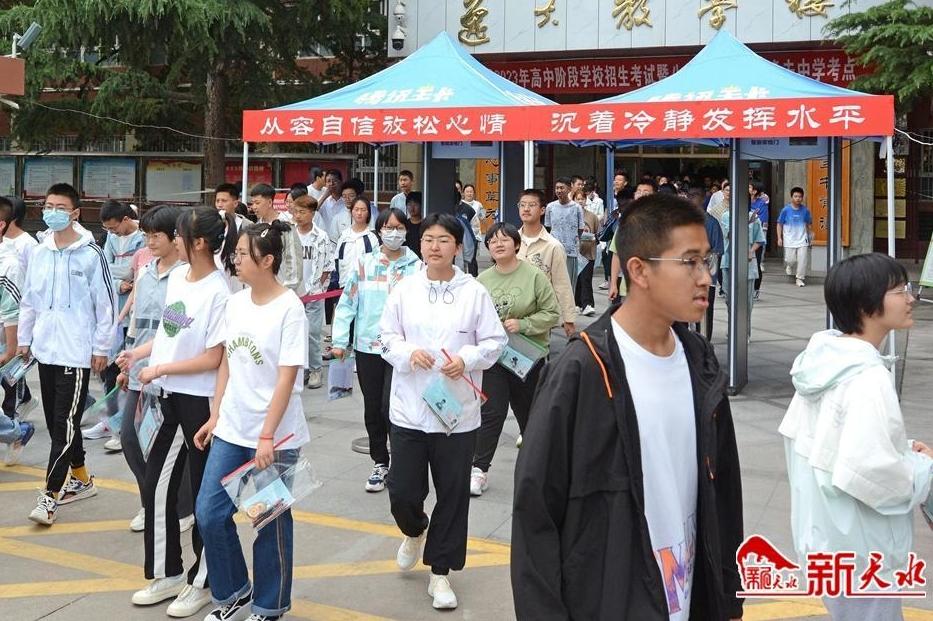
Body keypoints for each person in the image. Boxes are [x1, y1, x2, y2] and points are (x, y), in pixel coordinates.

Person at [512, 193, 743, 621]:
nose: (705, 277)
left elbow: (725, 491)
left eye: (707, 261)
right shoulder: (581, 370)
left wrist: (729, 597)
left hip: (691, 596)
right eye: (690, 262)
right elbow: (535, 510)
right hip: (611, 599)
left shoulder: (700, 361)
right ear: (638, 270)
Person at [779, 253, 933, 621]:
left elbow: (829, 447)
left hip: (826, 540)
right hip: (862, 551)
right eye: (900, 290)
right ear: (867, 306)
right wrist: (922, 467)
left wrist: (900, 448)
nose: (910, 298)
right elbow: (874, 473)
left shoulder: (822, 363)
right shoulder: (867, 377)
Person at [380, 212, 507, 611]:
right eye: (428, 239)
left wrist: (468, 358)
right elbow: (386, 337)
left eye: (444, 240)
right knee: (403, 491)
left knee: (453, 494)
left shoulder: (474, 292)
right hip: (409, 408)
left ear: (458, 246)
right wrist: (407, 353)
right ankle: (414, 529)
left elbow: (495, 341)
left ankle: (440, 573)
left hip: (456, 414)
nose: (435, 247)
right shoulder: (404, 289)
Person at [120, 207, 233, 617]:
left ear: (198, 242)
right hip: (168, 394)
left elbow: (213, 357)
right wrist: (139, 354)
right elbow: (170, 334)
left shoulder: (219, 292)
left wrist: (160, 369)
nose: (173, 241)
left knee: (204, 496)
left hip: (199, 402)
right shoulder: (180, 277)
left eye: (179, 235)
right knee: (157, 486)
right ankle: (166, 572)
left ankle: (202, 581)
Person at [194, 220, 309, 621]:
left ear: (268, 260)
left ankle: (269, 606)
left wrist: (267, 436)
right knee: (209, 513)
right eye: (236, 253)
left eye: (243, 254)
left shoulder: (290, 309)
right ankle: (234, 592)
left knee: (267, 519)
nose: (236, 260)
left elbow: (286, 377)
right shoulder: (236, 303)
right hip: (231, 427)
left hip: (274, 436)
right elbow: (228, 360)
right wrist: (215, 414)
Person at [19, 183, 116, 526]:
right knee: (58, 423)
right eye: (48, 206)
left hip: (76, 353)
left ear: (75, 213)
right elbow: (30, 299)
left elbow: (106, 305)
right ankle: (83, 479)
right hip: (46, 351)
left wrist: (101, 347)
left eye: (60, 207)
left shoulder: (91, 254)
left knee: (63, 426)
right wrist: (24, 339)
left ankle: (49, 497)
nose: (53, 212)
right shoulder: (40, 251)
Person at [332, 207, 422, 493]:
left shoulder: (416, 266)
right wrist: (339, 340)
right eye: (388, 227)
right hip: (368, 346)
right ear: (379, 230)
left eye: (399, 227)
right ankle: (380, 462)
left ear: (406, 231)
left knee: (390, 406)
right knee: (373, 408)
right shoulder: (365, 263)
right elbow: (347, 303)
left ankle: (400, 463)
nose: (394, 233)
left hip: (402, 348)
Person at [114, 205, 192, 534]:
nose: (150, 242)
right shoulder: (145, 272)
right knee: (130, 437)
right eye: (147, 235)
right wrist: (127, 362)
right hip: (140, 369)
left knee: (170, 444)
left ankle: (181, 508)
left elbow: (177, 330)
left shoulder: (186, 277)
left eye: (156, 235)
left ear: (176, 238)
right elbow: (136, 322)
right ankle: (151, 501)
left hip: (169, 372)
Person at [470, 222, 558, 496]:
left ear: (517, 245)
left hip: (526, 358)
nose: (498, 244)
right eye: (492, 241)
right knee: (491, 412)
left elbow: (552, 313)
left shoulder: (534, 276)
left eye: (504, 239)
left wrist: (524, 324)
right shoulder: (482, 280)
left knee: (530, 415)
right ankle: (479, 470)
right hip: (494, 358)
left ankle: (539, 467)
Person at [83, 200, 145, 447]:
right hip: (113, 313)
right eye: (107, 229)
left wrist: (120, 274)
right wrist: (119, 282)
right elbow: (105, 267)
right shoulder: (110, 238)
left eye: (114, 227)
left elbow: (136, 271)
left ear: (126, 220)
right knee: (108, 372)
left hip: (132, 317)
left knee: (126, 373)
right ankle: (110, 420)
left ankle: (123, 427)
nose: (112, 232)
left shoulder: (142, 239)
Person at [517, 189, 575, 338]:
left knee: (538, 351)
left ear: (542, 210)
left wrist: (568, 318)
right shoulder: (511, 241)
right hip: (513, 312)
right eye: (522, 205)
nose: (526, 209)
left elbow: (562, 283)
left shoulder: (553, 246)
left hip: (540, 316)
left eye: (531, 205)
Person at [292, 195, 333, 390]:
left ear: (312, 213)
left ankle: (316, 369)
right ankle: (304, 369)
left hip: (314, 293)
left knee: (313, 333)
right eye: (296, 212)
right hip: (293, 293)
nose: (298, 216)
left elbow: (327, 266)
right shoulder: (289, 234)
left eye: (302, 212)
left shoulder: (321, 236)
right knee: (296, 334)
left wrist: (318, 288)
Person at [720, 202, 766, 341]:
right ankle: (733, 327)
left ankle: (744, 332)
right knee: (729, 299)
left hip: (748, 264)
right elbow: (730, 234)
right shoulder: (726, 216)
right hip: (729, 262)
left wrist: (751, 251)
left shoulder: (754, 218)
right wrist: (746, 222)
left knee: (747, 302)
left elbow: (759, 239)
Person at [249, 183, 304, 295]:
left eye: (257, 203)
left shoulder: (285, 225)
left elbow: (294, 260)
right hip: (263, 289)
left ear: (270, 202)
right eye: (252, 203)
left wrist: (287, 289)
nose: (254, 207)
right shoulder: (256, 227)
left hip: (284, 290)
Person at [608, 179, 656, 301]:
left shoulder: (662, 222)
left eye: (646, 192)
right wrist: (613, 284)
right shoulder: (626, 221)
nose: (641, 194)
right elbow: (616, 254)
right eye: (639, 191)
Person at [690, 187, 723, 341]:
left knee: (704, 313)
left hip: (704, 276)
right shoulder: (682, 221)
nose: (691, 198)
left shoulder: (711, 223)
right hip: (684, 277)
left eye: (695, 195)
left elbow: (717, 252)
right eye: (689, 195)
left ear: (703, 199)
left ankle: (704, 343)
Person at [544, 177, 585, 290]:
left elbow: (580, 228)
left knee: (569, 286)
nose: (559, 191)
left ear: (569, 189)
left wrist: (573, 241)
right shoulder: (550, 207)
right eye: (557, 188)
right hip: (554, 251)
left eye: (562, 188)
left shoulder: (577, 208)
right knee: (553, 284)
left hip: (571, 252)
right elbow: (548, 227)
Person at [334, 197, 379, 291]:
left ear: (368, 213)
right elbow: (337, 260)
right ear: (351, 212)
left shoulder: (372, 237)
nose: (359, 213)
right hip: (344, 285)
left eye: (363, 210)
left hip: (365, 287)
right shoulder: (344, 236)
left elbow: (375, 263)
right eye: (356, 209)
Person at [777, 186, 813, 288]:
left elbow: (809, 224)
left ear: (802, 197)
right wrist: (779, 238)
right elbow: (779, 224)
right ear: (791, 197)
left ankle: (799, 278)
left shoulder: (805, 210)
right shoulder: (785, 210)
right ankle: (789, 265)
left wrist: (810, 236)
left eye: (800, 196)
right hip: (789, 239)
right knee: (790, 259)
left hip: (802, 239)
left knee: (802, 260)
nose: (798, 198)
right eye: (795, 196)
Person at [571, 189, 599, 317]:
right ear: (573, 200)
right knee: (576, 279)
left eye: (582, 199)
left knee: (586, 279)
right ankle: (577, 304)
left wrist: (592, 238)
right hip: (574, 253)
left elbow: (598, 232)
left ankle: (588, 304)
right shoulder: (570, 215)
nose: (580, 201)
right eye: (578, 199)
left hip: (588, 253)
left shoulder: (592, 216)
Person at [748, 181, 769, 299]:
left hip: (756, 237)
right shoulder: (743, 201)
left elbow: (762, 219)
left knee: (756, 263)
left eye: (749, 187)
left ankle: (756, 289)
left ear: (755, 191)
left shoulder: (762, 203)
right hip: (745, 236)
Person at [405, 191, 424, 259]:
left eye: (415, 204)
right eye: (409, 204)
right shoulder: (404, 225)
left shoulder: (425, 225)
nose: (412, 208)